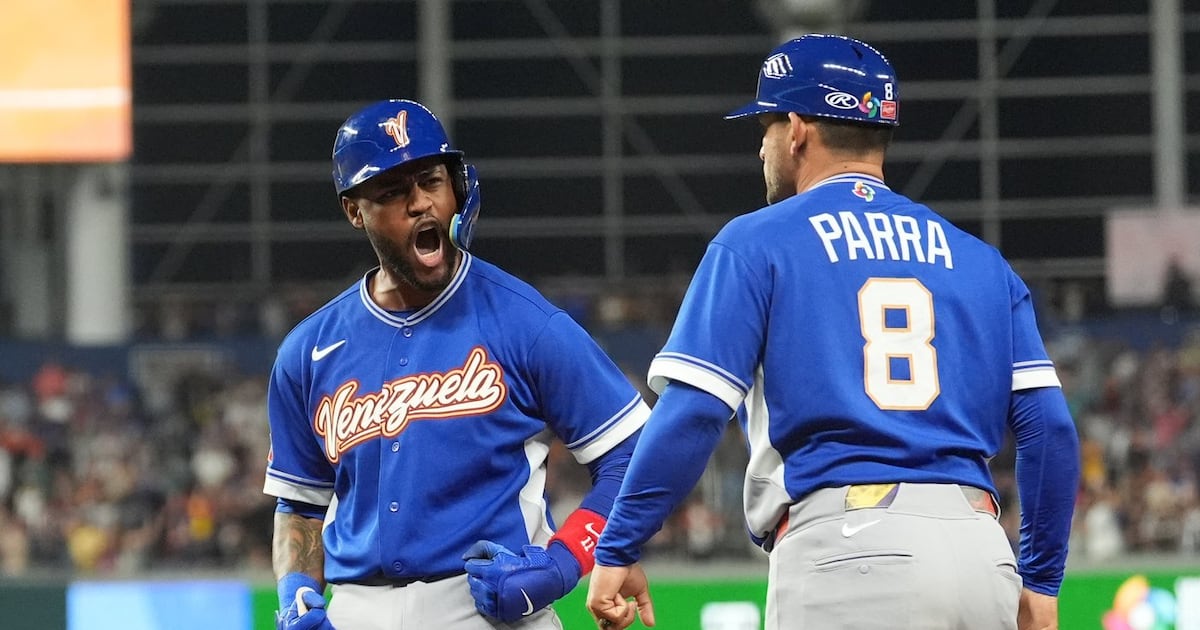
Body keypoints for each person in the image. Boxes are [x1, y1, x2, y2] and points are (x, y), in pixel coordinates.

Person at [585, 34, 1080, 630]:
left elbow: (693, 414)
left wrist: (618, 546)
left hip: (850, 551)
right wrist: (1043, 580)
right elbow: (1049, 430)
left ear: (797, 131)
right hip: (979, 548)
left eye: (766, 128)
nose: (762, 147)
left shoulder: (756, 242)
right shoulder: (981, 261)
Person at [264, 99, 650, 630]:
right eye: (395, 190)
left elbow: (632, 454)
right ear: (355, 211)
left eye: (431, 181)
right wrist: (296, 595)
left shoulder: (526, 322)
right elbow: (301, 506)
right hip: (355, 610)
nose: (421, 203)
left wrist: (563, 563)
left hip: (488, 606)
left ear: (458, 187)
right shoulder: (306, 352)